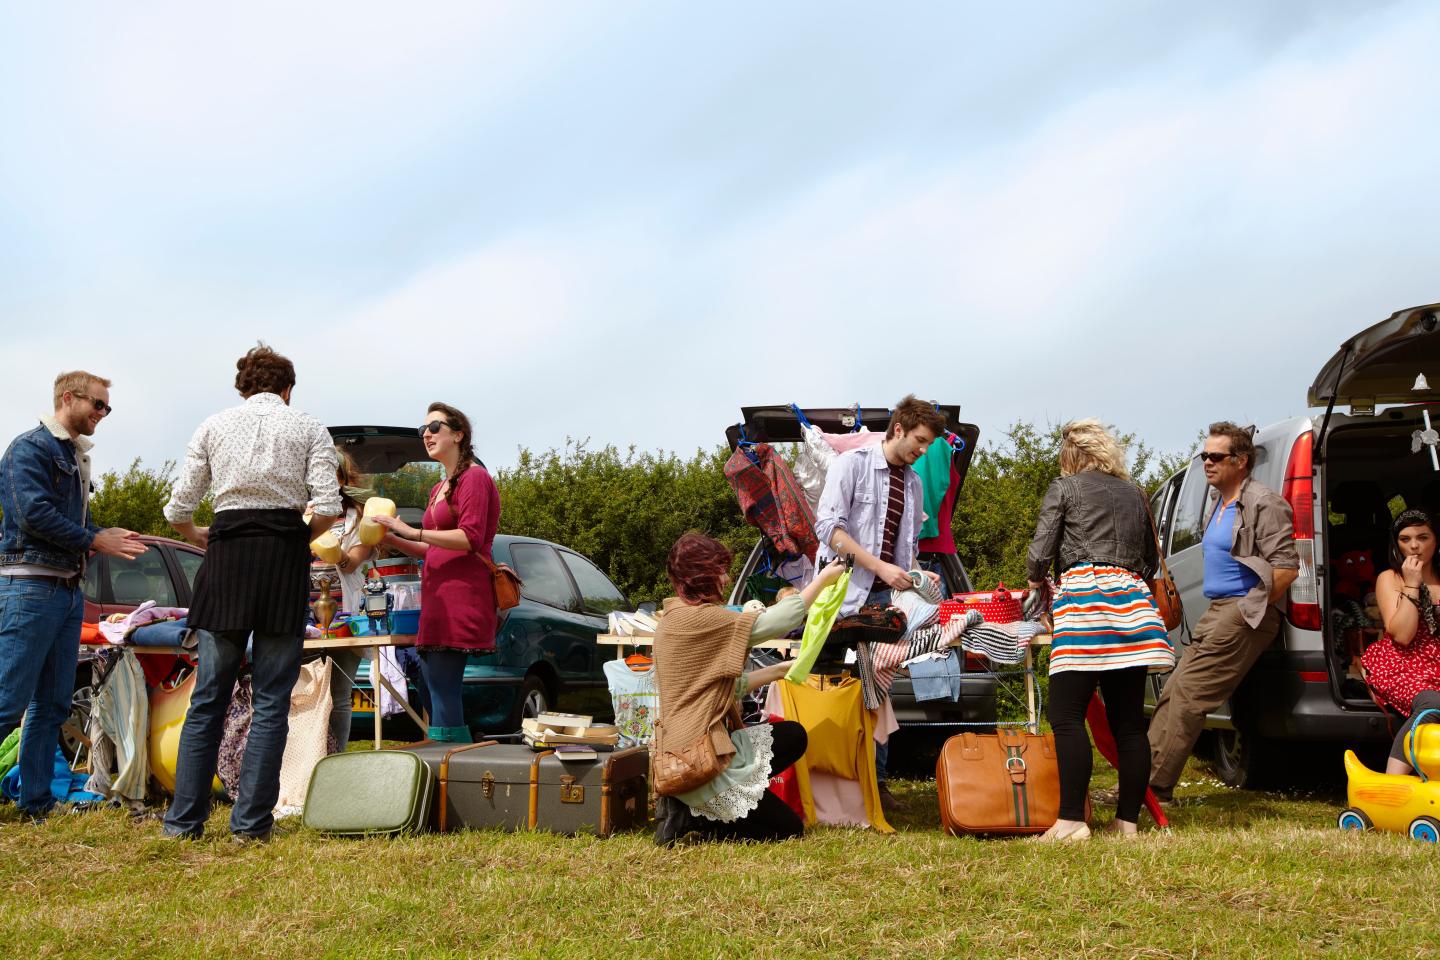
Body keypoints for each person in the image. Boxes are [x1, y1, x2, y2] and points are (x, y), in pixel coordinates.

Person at [161, 345, 342, 842]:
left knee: (208, 699)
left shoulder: (213, 426)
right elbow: (327, 506)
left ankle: (183, 823)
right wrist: (295, 541)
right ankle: (250, 826)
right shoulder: (309, 426)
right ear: (288, 389)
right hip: (282, 559)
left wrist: (199, 534)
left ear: (243, 387)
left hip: (225, 558)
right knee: (270, 700)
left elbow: (178, 507)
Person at [0, 372, 148, 819]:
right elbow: (32, 515)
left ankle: (37, 802)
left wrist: (99, 532)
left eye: (107, 407)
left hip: (64, 592)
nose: (103, 414)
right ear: (69, 398)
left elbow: (62, 516)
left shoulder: (70, 455)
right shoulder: (29, 448)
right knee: (7, 701)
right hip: (29, 587)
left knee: (53, 704)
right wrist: (95, 539)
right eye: (98, 405)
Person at [1026, 420, 1175, 840]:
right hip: (1132, 604)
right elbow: (1147, 560)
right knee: (1128, 722)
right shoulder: (1137, 494)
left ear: (1072, 455)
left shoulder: (1065, 487)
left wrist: (1036, 581)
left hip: (1086, 602)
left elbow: (1041, 551)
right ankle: (1128, 823)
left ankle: (1071, 821)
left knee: (1066, 714)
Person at [652, 532, 847, 845]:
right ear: (702, 576)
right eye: (720, 570)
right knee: (788, 830)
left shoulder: (677, 617)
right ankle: (690, 812)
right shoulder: (701, 619)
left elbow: (726, 687)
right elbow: (775, 622)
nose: (727, 579)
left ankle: (697, 806)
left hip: (697, 747)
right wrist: (821, 580)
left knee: (793, 736)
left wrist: (778, 671)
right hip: (696, 759)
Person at [1144, 421, 1298, 804]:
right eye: (1204, 456)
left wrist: (1251, 608)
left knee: (1188, 696)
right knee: (1174, 691)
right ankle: (1142, 782)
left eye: (1215, 456)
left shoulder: (1265, 502)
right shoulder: (1219, 503)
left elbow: (1287, 567)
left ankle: (1153, 790)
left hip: (1242, 611)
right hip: (1218, 610)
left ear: (1241, 461)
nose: (1207, 463)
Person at [814, 395, 946, 810]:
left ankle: (877, 783)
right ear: (900, 428)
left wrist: (916, 574)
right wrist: (881, 568)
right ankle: (831, 781)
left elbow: (905, 551)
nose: (922, 451)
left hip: (888, 597)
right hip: (840, 595)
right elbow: (829, 530)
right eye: (920, 441)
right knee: (834, 686)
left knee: (879, 684)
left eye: (928, 445)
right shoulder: (850, 465)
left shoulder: (915, 483)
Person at [371, 402, 499, 744]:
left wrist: (412, 532)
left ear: (459, 434)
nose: (426, 434)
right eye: (422, 430)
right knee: (430, 683)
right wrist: (394, 539)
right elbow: (435, 549)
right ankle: (448, 761)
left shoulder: (475, 478)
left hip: (462, 595)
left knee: (442, 687)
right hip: (436, 597)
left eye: (434, 427)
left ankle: (451, 769)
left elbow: (470, 539)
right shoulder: (437, 488)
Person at [1361, 509, 1440, 775]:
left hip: (1437, 663)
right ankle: (1393, 782)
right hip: (1402, 663)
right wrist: (1412, 584)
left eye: (1423, 537)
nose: (1414, 546)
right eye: (1405, 539)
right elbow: (1403, 635)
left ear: (1436, 540)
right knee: (1433, 703)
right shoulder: (1390, 579)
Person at [321, 447, 381, 752]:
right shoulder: (302, 514)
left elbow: (351, 562)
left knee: (339, 694)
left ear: (343, 478)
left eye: (330, 471)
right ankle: (305, 762)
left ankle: (336, 759)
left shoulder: (359, 518)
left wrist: (330, 548)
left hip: (345, 616)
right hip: (302, 617)